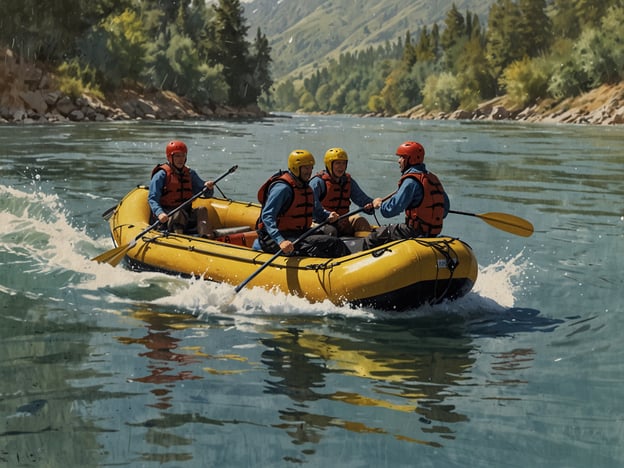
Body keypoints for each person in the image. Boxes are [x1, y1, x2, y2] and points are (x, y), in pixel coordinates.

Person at [254, 149, 352, 258]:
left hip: (297, 233)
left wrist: (328, 215)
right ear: (296, 168)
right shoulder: (283, 189)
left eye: (311, 168)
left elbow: (317, 211)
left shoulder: (306, 187)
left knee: (331, 238)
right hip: (274, 239)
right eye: (305, 168)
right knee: (326, 245)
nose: (309, 171)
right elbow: (267, 216)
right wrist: (281, 241)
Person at [362, 141, 449, 250]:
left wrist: (381, 204)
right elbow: (444, 211)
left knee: (373, 237)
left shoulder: (410, 181)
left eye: (402, 157)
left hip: (413, 232)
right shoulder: (433, 178)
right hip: (432, 233)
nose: (399, 161)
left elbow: (390, 210)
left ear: (410, 159)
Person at [148, 140, 215, 237]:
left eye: (183, 155)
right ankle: (179, 239)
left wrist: (208, 187)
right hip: (167, 216)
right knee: (178, 213)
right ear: (169, 158)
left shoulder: (190, 174)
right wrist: (160, 213)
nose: (181, 159)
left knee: (202, 209)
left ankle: (206, 237)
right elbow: (152, 198)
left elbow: (206, 194)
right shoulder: (161, 175)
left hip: (187, 215)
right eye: (177, 156)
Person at [309, 147, 375, 237]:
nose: (341, 167)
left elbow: (362, 199)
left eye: (343, 163)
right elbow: (313, 208)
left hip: (342, 221)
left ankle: (366, 247)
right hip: (320, 223)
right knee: (331, 231)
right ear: (329, 164)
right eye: (337, 163)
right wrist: (327, 215)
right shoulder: (317, 182)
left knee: (361, 221)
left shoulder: (348, 181)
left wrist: (373, 204)